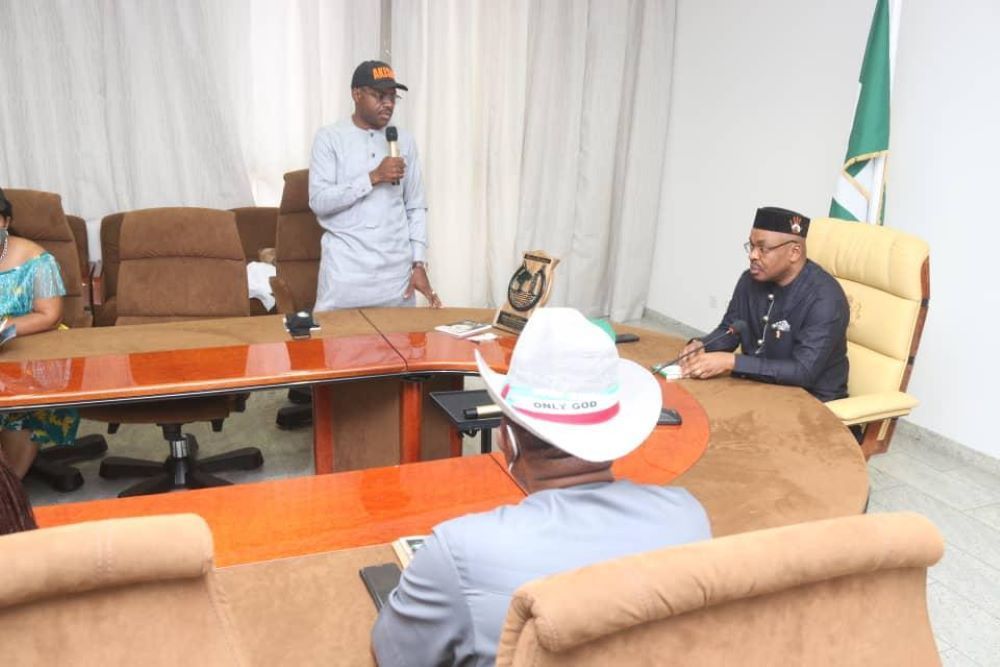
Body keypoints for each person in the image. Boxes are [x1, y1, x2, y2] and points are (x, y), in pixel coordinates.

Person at [371, 308, 711, 667]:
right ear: (617, 431)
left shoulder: (458, 552)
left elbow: (391, 655)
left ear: (508, 439)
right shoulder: (687, 518)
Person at [308, 60, 441, 311]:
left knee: (400, 348)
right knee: (340, 348)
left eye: (392, 97)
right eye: (379, 95)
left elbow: (415, 206)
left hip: (395, 282)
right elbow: (319, 202)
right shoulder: (330, 138)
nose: (388, 103)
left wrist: (419, 264)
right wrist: (373, 177)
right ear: (356, 94)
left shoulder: (405, 140)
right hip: (346, 279)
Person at [680, 206, 850, 402]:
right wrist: (703, 344)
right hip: (760, 389)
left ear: (794, 252)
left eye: (763, 249)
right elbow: (730, 329)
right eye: (751, 246)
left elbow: (803, 371)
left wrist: (731, 362)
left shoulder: (825, 298)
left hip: (813, 405)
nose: (752, 255)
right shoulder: (749, 280)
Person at [0, 187, 80, 477]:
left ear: (5, 221)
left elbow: (49, 315)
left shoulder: (37, 259)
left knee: (13, 403)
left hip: (35, 347)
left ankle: (9, 493)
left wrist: (5, 328)